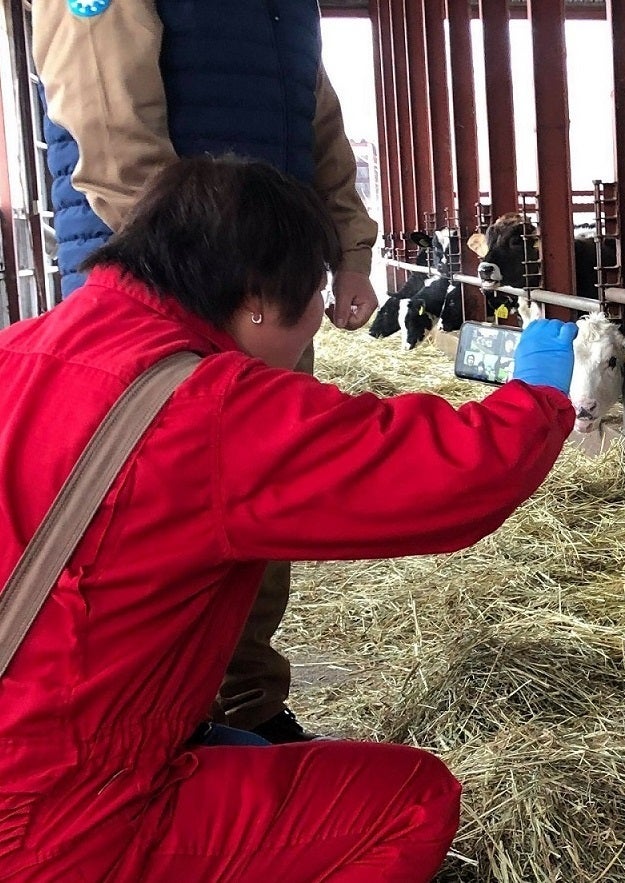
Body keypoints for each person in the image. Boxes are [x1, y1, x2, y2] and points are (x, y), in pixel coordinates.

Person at [0, 155, 578, 881]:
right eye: (316, 296)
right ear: (257, 298)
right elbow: (447, 474)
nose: (314, 329)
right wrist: (537, 398)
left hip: (38, 742)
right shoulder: (207, 409)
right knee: (410, 802)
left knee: (238, 753)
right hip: (53, 815)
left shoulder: (20, 349)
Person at [34, 0, 382, 742]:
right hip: (164, 288)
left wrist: (347, 251)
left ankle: (245, 704)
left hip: (261, 285)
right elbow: (107, 120)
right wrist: (205, 270)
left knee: (261, 498)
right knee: (156, 514)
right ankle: (159, 723)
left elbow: (314, 115)